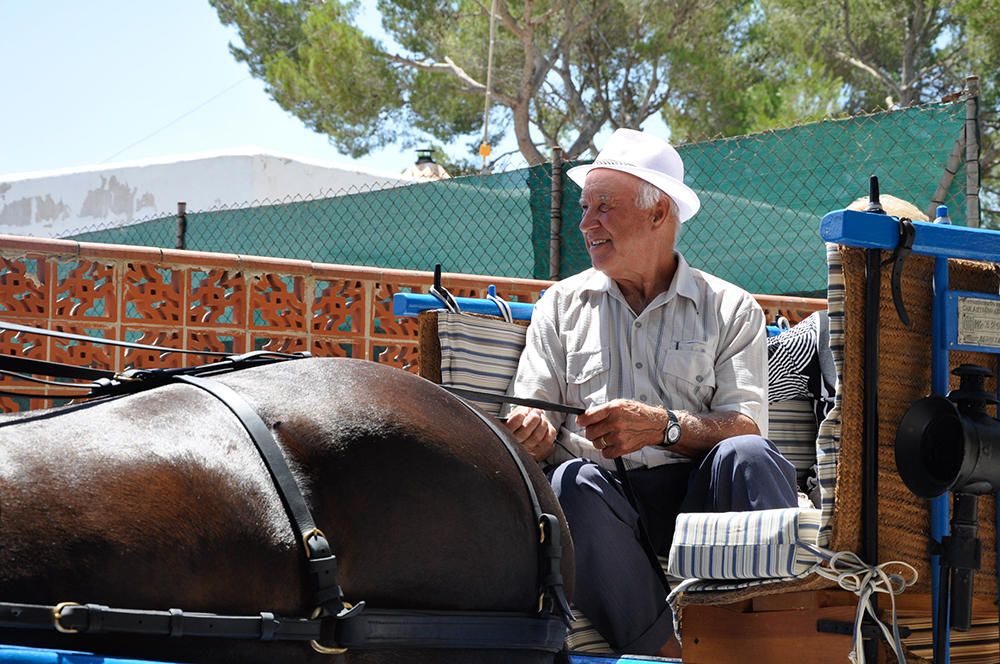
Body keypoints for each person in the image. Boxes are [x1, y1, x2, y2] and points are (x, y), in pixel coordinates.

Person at [503, 128, 798, 657]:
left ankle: (774, 638)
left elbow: (748, 425)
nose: (586, 223)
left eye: (604, 207)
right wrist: (533, 431)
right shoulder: (559, 305)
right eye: (585, 206)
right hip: (601, 505)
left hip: (700, 497)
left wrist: (663, 425)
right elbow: (533, 409)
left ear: (658, 213)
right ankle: (668, 654)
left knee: (749, 456)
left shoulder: (730, 308)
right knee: (571, 477)